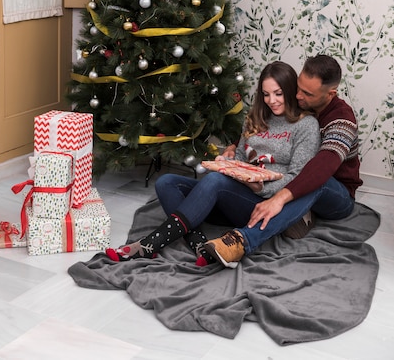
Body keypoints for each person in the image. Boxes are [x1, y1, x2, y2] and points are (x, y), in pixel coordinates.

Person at [105, 61, 321, 266]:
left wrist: (262, 187)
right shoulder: (255, 118)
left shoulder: (306, 125)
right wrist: (227, 163)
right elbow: (241, 159)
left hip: (261, 203)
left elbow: (299, 178)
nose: (272, 100)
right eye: (266, 94)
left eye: (278, 93)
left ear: (291, 91)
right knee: (167, 182)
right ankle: (199, 244)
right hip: (234, 195)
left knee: (215, 182)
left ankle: (152, 243)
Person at [204, 54, 363, 268]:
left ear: (330, 94)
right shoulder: (304, 104)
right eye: (298, 87)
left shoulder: (342, 119)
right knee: (303, 180)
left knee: (316, 178)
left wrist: (278, 198)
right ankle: (300, 215)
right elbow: (271, 126)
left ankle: (242, 241)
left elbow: (325, 164)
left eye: (306, 93)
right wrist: (234, 144)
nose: (297, 95)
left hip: (338, 195)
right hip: (306, 188)